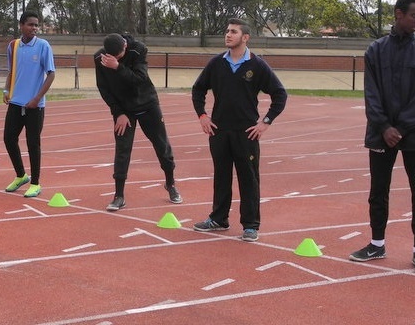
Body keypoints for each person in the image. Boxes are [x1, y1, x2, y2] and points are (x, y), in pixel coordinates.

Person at [349, 0, 415, 274]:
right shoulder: (376, 50)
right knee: (378, 191)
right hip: (380, 134)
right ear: (399, 14)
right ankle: (376, 244)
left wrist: (402, 127)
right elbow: (371, 94)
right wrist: (385, 127)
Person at [191, 18, 287, 242]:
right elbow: (198, 90)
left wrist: (265, 122)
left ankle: (251, 225)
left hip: (246, 132)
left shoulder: (257, 65)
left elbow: (280, 95)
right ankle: (218, 219)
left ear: (245, 38)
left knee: (248, 179)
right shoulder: (216, 63)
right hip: (219, 131)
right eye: (227, 31)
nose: (228, 35)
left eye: (233, 31)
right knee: (221, 176)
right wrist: (203, 116)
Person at [95, 33, 183, 211]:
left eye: (119, 55)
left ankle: (170, 184)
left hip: (147, 104)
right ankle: (119, 195)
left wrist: (118, 66)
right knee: (122, 149)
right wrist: (118, 112)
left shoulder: (138, 49)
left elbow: (139, 79)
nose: (116, 58)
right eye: (113, 56)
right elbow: (103, 87)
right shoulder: (100, 58)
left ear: (125, 47)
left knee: (162, 145)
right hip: (123, 110)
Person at [2, 11, 55, 198]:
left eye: (36, 25)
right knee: (8, 138)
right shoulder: (13, 46)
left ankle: (35, 182)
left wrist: (37, 98)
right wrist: (6, 90)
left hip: (35, 105)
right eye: (30, 24)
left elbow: (51, 74)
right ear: (21, 25)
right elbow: (11, 71)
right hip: (16, 103)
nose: (34, 28)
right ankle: (21, 175)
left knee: (33, 143)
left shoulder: (43, 46)